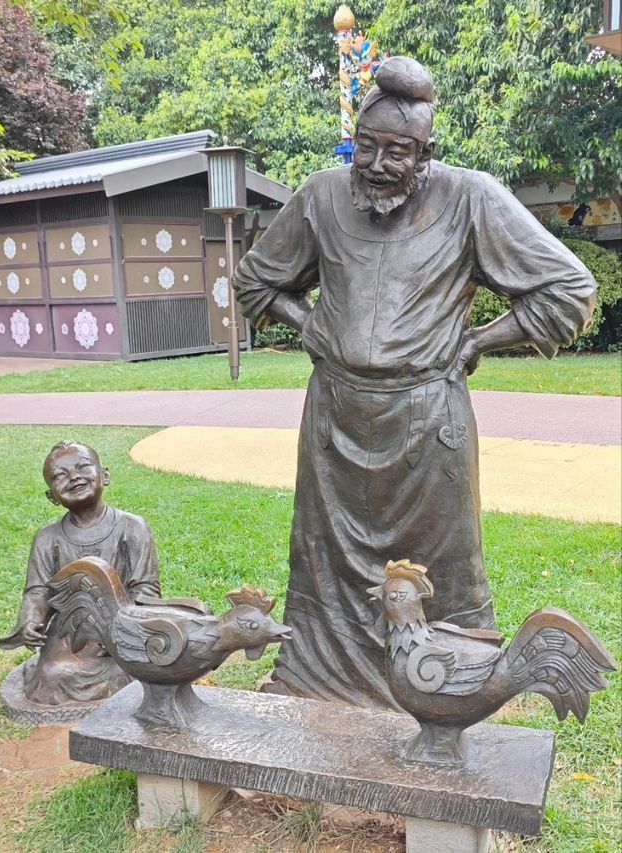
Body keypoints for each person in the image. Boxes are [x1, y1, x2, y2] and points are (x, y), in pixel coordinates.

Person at [232, 57, 597, 709]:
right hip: (335, 419)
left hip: (430, 423)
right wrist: (307, 322)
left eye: (397, 152)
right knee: (323, 564)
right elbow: (256, 278)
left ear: (426, 154)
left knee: (441, 574)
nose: (376, 164)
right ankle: (321, 682)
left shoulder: (470, 196)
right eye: (365, 147)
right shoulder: (321, 196)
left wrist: (477, 341)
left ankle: (450, 691)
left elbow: (569, 288)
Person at [0, 441, 161, 705]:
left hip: (123, 623)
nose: (74, 478)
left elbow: (145, 588)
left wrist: (124, 627)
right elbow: (38, 591)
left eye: (83, 467)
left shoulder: (132, 527)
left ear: (104, 475)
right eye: (60, 476)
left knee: (134, 669)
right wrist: (32, 621)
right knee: (52, 675)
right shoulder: (47, 538)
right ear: (51, 496)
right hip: (69, 630)